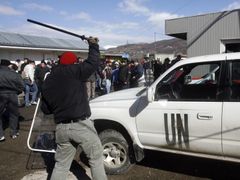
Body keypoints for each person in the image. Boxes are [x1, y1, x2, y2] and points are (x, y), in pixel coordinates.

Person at [41, 37, 107, 180]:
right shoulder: (75, 71)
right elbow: (93, 62)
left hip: (61, 128)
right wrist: (93, 45)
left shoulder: (48, 80)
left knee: (61, 164)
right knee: (96, 157)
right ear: (73, 62)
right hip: (81, 125)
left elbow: (46, 109)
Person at [0, 59, 24, 141]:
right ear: (8, 65)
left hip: (1, 94)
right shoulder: (14, 74)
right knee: (14, 114)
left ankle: (0, 135)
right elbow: (22, 86)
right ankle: (13, 132)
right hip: (12, 94)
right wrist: (17, 92)